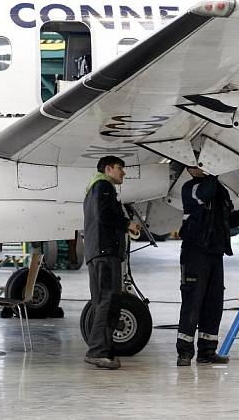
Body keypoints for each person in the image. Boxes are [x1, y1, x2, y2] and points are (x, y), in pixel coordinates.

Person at [176, 166, 239, 366]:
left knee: (213, 304)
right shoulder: (191, 188)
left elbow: (226, 220)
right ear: (188, 169)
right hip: (194, 253)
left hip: (215, 253)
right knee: (192, 303)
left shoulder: (219, 189)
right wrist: (213, 174)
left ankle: (207, 351)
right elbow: (204, 196)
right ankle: (184, 353)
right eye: (194, 166)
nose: (197, 169)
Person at [83, 155, 140, 369]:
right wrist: (128, 224)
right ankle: (97, 351)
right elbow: (105, 215)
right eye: (120, 168)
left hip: (98, 252)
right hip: (105, 253)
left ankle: (103, 350)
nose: (123, 173)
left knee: (104, 302)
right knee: (108, 301)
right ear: (108, 169)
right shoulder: (103, 186)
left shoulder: (94, 189)